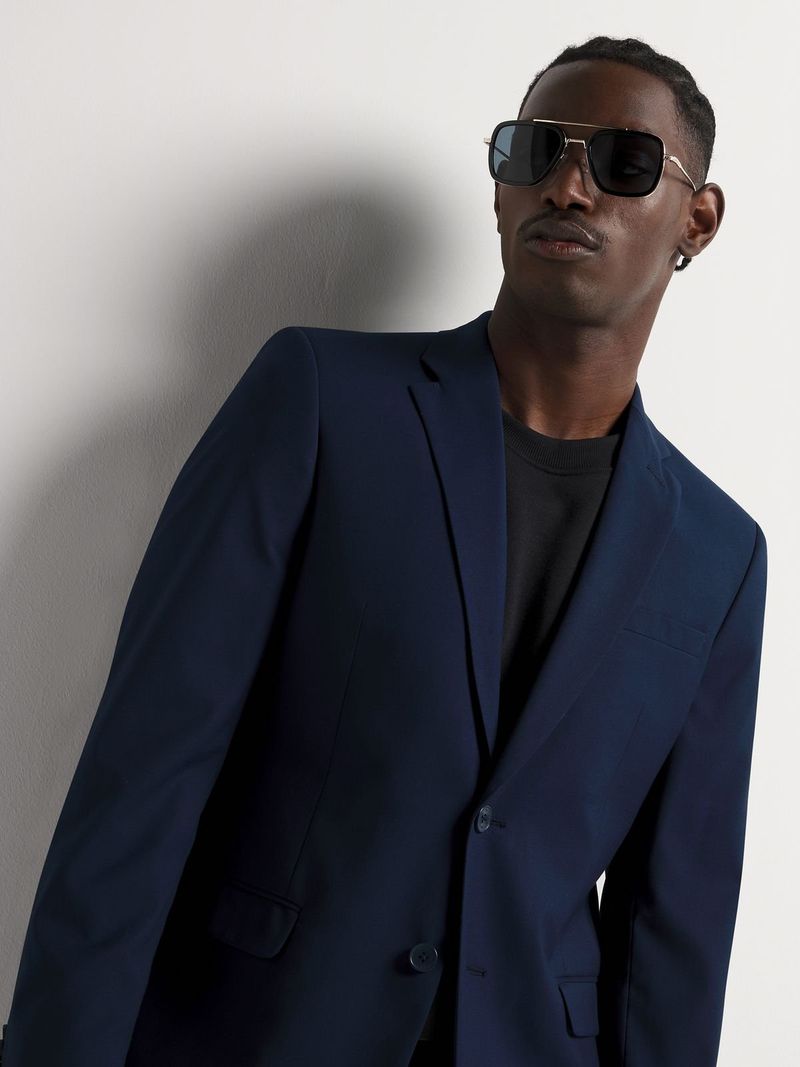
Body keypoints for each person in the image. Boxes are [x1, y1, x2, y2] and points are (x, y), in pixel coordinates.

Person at [2, 34, 768, 1067]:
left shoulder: (717, 554)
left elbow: (674, 926)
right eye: (535, 150)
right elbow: (143, 776)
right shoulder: (322, 404)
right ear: (499, 188)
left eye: (623, 161)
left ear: (697, 218)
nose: (568, 186)